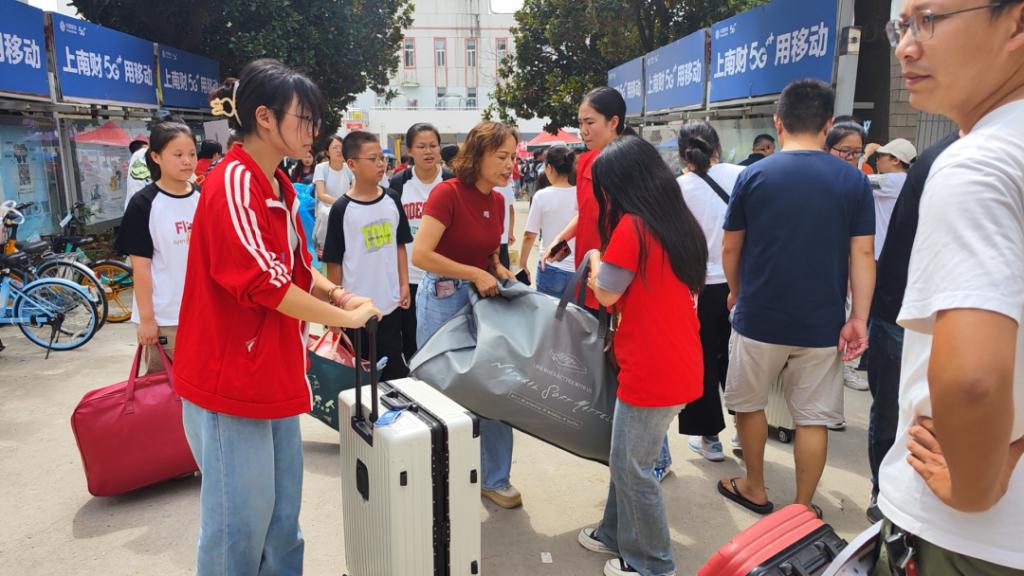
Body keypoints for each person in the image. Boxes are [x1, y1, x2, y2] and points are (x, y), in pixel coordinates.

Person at [173, 59, 382, 575]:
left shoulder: (278, 186)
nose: (314, 132)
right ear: (264, 118)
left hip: (272, 372)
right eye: (304, 119)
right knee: (238, 529)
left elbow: (297, 269)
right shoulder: (234, 182)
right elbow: (265, 283)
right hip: (229, 381)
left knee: (282, 522)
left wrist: (339, 297)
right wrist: (344, 320)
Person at [872, 2, 1024, 573]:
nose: (906, 46)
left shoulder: (977, 165)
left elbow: (971, 380)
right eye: (902, 25)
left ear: (1017, 23)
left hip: (970, 537)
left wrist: (973, 489)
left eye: (929, 19)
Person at [718, 79, 875, 516]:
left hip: (759, 316)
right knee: (812, 418)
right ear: (828, 125)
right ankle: (802, 508)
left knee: (749, 404)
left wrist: (736, 292)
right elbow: (863, 254)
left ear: (778, 122)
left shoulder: (754, 175)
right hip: (822, 323)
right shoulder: (853, 181)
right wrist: (859, 317)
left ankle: (754, 487)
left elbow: (730, 247)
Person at [576, 136, 706, 576]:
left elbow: (607, 293)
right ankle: (613, 533)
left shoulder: (633, 227)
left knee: (634, 468)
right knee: (626, 460)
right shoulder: (676, 221)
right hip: (675, 358)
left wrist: (595, 257)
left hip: (652, 368)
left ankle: (653, 563)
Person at [542, 87, 674, 481]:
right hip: (594, 276)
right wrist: (564, 237)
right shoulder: (584, 162)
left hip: (619, 278)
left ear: (615, 122)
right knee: (606, 365)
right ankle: (626, 450)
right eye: (580, 123)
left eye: (590, 122)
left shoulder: (630, 166)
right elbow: (587, 213)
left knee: (627, 367)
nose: (583, 130)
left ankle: (654, 457)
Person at [411, 121, 520, 509]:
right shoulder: (448, 193)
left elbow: (488, 252)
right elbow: (421, 255)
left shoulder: (499, 201)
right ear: (479, 155)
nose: (510, 165)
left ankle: (494, 478)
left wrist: (497, 268)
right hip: (442, 299)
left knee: (493, 387)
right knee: (441, 392)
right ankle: (437, 481)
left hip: (481, 299)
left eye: (513, 157)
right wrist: (474, 273)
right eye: (502, 156)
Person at [864, 132, 958, 523]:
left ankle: (883, 490)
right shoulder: (937, 162)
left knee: (893, 410)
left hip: (903, 310)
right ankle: (888, 490)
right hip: (908, 309)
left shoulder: (944, 161)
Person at [674, 121, 745, 463]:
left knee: (700, 360)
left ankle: (709, 438)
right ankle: (745, 429)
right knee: (738, 358)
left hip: (696, 287)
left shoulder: (678, 188)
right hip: (739, 284)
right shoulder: (739, 175)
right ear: (717, 146)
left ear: (682, 152)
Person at [322, 130, 412, 380]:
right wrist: (336, 308)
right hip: (355, 310)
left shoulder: (392, 199)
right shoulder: (342, 209)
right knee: (360, 376)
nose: (381, 164)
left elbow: (399, 245)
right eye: (373, 159)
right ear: (352, 164)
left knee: (393, 372)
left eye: (382, 158)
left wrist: (404, 283)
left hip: (390, 305)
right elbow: (334, 262)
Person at [115, 118, 199, 374]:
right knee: (165, 391)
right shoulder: (144, 204)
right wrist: (147, 320)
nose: (187, 161)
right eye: (178, 155)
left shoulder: (202, 197)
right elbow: (141, 268)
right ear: (156, 157)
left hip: (203, 315)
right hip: (166, 319)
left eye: (192, 154)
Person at [389, 123, 454, 362]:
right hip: (410, 279)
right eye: (421, 146)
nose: (428, 151)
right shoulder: (398, 184)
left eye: (433, 146)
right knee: (411, 343)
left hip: (445, 278)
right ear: (409, 151)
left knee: (444, 342)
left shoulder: (451, 181)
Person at [518, 145, 577, 296]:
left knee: (548, 310)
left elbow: (529, 235)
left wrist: (522, 264)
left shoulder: (541, 196)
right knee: (574, 311)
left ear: (549, 168)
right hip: (577, 269)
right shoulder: (580, 193)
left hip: (550, 266)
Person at [865, 138, 916, 260]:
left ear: (896, 160)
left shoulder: (891, 181)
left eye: (881, 156)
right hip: (891, 250)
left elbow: (854, 180)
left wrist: (865, 155)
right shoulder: (903, 179)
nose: (877, 160)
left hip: (881, 252)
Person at [124, 138, 151, 209]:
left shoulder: (134, 160)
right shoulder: (143, 152)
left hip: (132, 206)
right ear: (144, 146)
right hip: (144, 204)